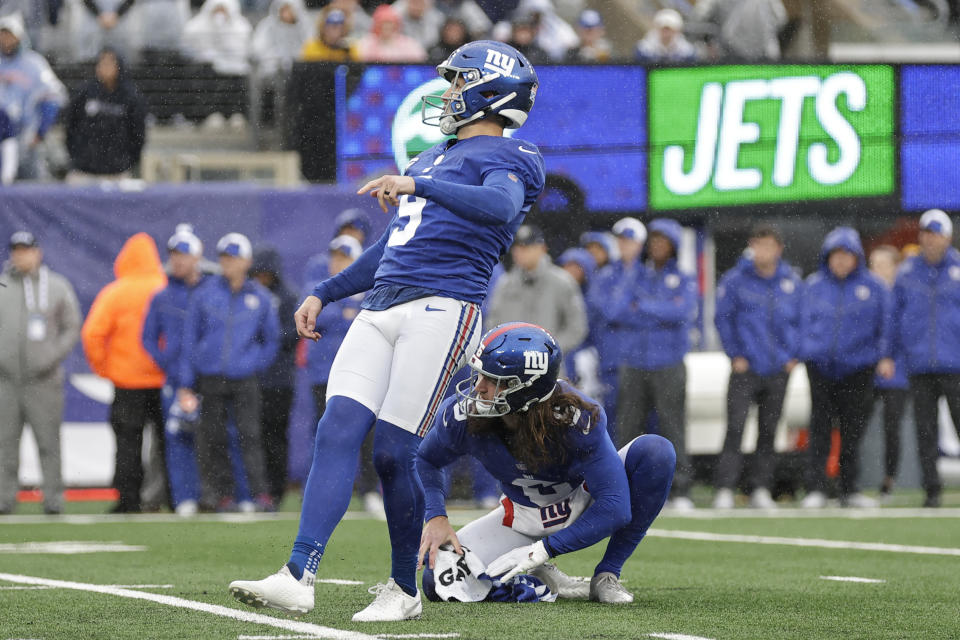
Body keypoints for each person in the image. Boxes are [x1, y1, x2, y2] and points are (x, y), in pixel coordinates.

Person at [228, 40, 544, 622]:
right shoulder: (429, 158)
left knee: (397, 454)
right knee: (338, 426)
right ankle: (298, 573)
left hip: (444, 308)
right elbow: (391, 248)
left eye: (458, 83)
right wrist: (326, 291)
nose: (449, 94)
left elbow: (499, 208)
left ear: (489, 91)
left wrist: (417, 186)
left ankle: (403, 589)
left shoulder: (513, 155)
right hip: (380, 306)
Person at [416, 323, 675, 604]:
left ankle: (607, 575)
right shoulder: (462, 416)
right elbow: (426, 459)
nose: (478, 388)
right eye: (480, 375)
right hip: (522, 516)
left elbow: (615, 506)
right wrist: (436, 516)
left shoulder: (574, 418)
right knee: (437, 582)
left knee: (656, 452)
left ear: (525, 388)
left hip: (581, 499)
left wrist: (543, 549)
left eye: (492, 379)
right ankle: (537, 577)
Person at [178, 233, 279, 512]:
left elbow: (271, 340)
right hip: (211, 376)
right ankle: (221, 495)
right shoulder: (205, 293)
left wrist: (254, 363)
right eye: (224, 258)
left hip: (244, 377)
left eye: (233, 258)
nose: (228, 264)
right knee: (213, 436)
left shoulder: (260, 297)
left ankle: (259, 495)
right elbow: (190, 338)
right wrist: (188, 379)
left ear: (246, 261)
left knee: (250, 435)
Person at [799, 227, 893, 509]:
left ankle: (850, 489)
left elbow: (886, 325)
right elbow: (801, 323)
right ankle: (816, 488)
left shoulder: (874, 287)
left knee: (853, 431)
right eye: (835, 255)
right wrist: (808, 351)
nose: (840, 261)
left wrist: (880, 356)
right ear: (827, 257)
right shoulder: (814, 285)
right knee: (819, 429)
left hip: (859, 368)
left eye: (846, 255)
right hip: (820, 367)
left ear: (856, 258)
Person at [712, 224, 802, 509]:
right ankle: (725, 488)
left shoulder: (791, 280)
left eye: (768, 245)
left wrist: (793, 355)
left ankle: (761, 488)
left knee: (769, 429)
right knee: (735, 428)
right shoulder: (736, 280)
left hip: (778, 368)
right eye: (758, 245)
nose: (762, 251)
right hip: (745, 367)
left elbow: (803, 319)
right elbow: (722, 319)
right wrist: (735, 354)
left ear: (778, 248)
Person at [81, 232, 169, 514]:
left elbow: (93, 334)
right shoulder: (164, 287)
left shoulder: (116, 292)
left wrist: (104, 367)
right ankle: (172, 498)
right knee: (168, 444)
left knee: (128, 443)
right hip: (163, 379)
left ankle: (128, 499)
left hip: (127, 382)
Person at [613, 218, 698, 510]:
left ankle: (680, 490)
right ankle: (623, 489)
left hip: (669, 361)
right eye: (654, 241)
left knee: (672, 427)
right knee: (628, 428)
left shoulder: (684, 278)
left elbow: (683, 311)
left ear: (673, 246)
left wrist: (645, 306)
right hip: (635, 361)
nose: (658, 246)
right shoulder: (636, 274)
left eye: (664, 241)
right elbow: (617, 309)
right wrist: (660, 308)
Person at [0, 231, 81, 515]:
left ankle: (53, 499)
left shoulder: (56, 287)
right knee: (4, 444)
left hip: (43, 380)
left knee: (48, 442)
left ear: (38, 252)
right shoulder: (2, 286)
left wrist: (50, 356)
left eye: (26, 250)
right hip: (5, 380)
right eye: (16, 250)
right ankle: (4, 498)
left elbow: (72, 327)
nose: (21, 255)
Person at [303, 234, 383, 517]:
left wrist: (340, 311)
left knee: (367, 435)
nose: (338, 262)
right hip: (324, 373)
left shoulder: (372, 284)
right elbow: (317, 318)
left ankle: (370, 490)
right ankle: (330, 490)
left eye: (345, 257)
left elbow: (373, 316)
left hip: (363, 371)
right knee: (327, 434)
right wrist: (344, 311)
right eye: (335, 256)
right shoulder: (321, 288)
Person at [142, 224, 212, 516]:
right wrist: (167, 361)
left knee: (212, 437)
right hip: (174, 379)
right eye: (173, 254)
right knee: (177, 439)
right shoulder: (162, 296)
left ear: (197, 256)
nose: (178, 260)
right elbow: (147, 337)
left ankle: (210, 495)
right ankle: (184, 498)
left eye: (183, 254)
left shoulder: (211, 291)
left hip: (207, 378)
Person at [892, 209, 960, 508]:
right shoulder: (907, 273)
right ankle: (931, 490)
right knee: (924, 431)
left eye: (936, 234)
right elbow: (895, 318)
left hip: (956, 363)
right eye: (926, 234)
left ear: (948, 236)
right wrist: (894, 354)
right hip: (919, 363)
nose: (931, 240)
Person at [485, 224, 588, 356]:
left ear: (542, 248)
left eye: (526, 247)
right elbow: (492, 323)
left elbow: (577, 327)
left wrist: (549, 350)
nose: (520, 252)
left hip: (549, 367)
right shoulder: (505, 283)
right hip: (511, 363)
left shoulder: (562, 281)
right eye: (517, 248)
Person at [250, 245, 299, 507]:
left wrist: (266, 338)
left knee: (276, 437)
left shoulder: (288, 297)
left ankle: (276, 489)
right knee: (251, 436)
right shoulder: (249, 295)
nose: (261, 279)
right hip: (252, 378)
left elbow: (294, 333)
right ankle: (257, 490)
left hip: (279, 380)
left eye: (265, 274)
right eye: (257, 274)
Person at [584, 218, 643, 435]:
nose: (625, 246)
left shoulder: (649, 273)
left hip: (643, 361)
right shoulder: (605, 275)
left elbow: (657, 314)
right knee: (614, 423)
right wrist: (635, 307)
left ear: (640, 244)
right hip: (612, 361)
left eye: (630, 241)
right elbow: (609, 311)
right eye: (622, 241)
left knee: (647, 422)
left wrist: (639, 310)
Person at [64, 47, 146, 182]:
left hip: (118, 173)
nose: (105, 67)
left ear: (119, 65)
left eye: (110, 62)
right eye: (102, 62)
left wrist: (126, 161)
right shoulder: (84, 93)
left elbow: (138, 133)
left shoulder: (131, 96)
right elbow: (70, 126)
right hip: (83, 172)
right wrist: (77, 156)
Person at [0, 13, 66, 180]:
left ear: (20, 36)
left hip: (26, 137)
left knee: (30, 189)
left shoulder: (34, 63)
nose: (6, 40)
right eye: (2, 35)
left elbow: (53, 97)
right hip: (1, 136)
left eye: (10, 35)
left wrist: (40, 132)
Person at [868, 245, 910, 500]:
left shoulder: (904, 294)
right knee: (854, 425)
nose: (876, 270)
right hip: (866, 371)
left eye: (882, 264)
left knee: (892, 428)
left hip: (897, 373)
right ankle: (844, 480)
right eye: (873, 264)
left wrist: (890, 359)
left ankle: (888, 482)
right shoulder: (866, 293)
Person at [182, 0, 253, 75]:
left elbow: (243, 51)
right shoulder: (195, 26)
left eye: (223, 11)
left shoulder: (241, 27)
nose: (220, 14)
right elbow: (189, 48)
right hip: (205, 70)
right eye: (217, 10)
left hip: (233, 72)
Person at [355, 4, 427, 63]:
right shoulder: (365, 44)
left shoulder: (409, 45)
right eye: (383, 23)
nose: (386, 27)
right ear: (376, 25)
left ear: (396, 25)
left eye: (390, 23)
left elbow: (420, 63)